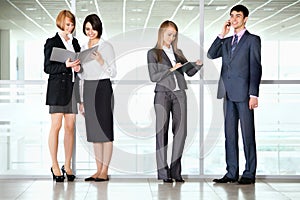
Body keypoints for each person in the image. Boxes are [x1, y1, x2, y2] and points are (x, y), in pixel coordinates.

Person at [207, 4, 262, 184]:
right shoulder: (226, 41)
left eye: (238, 16)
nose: (234, 19)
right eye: (231, 16)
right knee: (229, 135)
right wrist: (222, 33)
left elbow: (256, 67)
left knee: (247, 135)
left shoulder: (253, 40)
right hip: (228, 94)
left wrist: (254, 94)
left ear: (245, 18)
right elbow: (210, 54)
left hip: (245, 95)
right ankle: (231, 173)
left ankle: (249, 173)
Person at [147, 20, 203, 183]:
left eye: (174, 35)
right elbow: (153, 76)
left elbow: (189, 72)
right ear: (162, 33)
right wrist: (171, 69)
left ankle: (175, 171)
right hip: (162, 94)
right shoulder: (153, 53)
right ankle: (164, 174)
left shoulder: (178, 52)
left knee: (181, 132)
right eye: (169, 34)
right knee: (161, 133)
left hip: (179, 94)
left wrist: (196, 65)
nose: (171, 38)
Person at [78, 14, 117, 182]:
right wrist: (81, 101)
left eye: (93, 28)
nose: (90, 32)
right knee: (94, 132)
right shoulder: (82, 47)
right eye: (87, 29)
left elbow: (113, 72)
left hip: (103, 87)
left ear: (98, 28)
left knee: (105, 131)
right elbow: (81, 76)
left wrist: (101, 61)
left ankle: (105, 171)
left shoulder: (106, 46)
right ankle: (98, 169)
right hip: (88, 88)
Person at [44, 10, 81, 182]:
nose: (70, 27)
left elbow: (80, 64)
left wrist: (78, 68)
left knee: (70, 127)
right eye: (67, 24)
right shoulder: (52, 42)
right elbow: (48, 68)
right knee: (56, 126)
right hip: (57, 89)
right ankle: (54, 164)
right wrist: (65, 65)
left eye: (72, 24)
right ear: (60, 23)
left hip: (72, 89)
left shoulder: (75, 43)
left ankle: (67, 164)